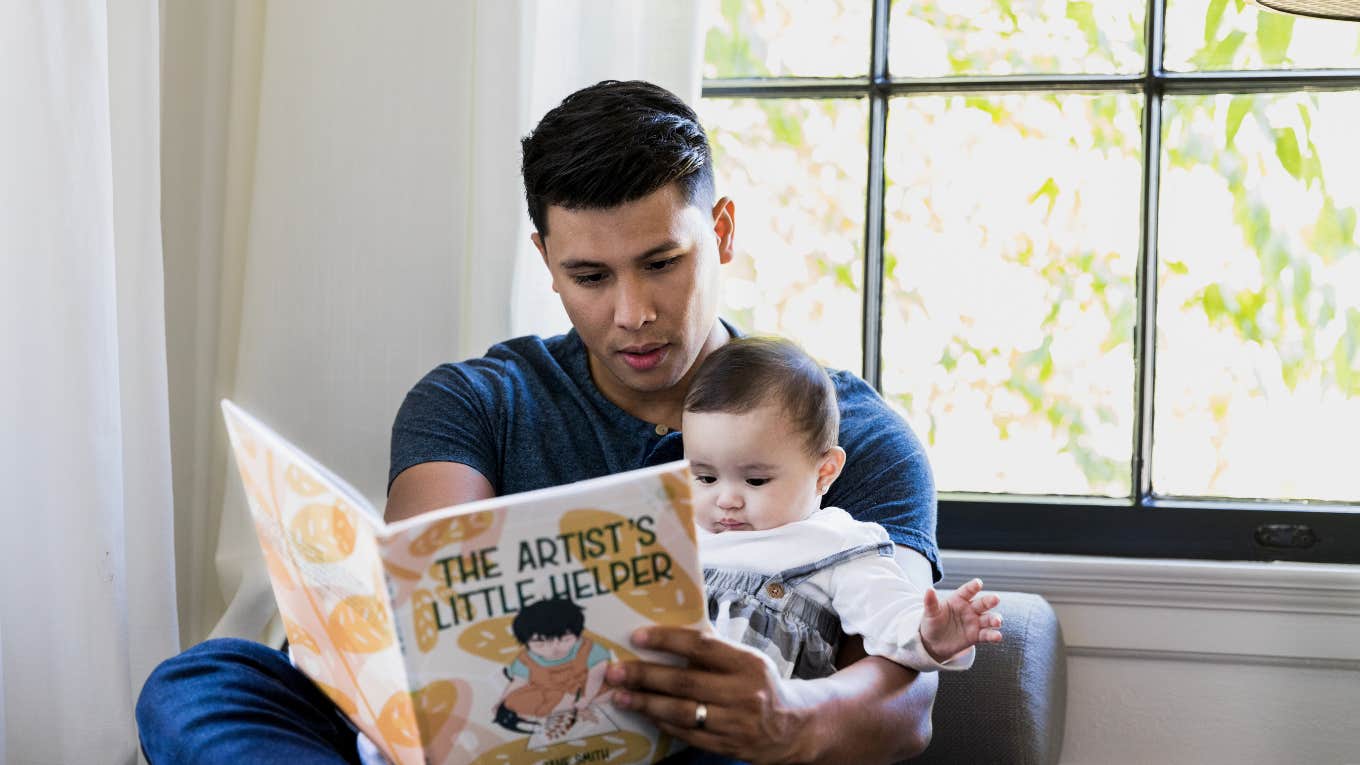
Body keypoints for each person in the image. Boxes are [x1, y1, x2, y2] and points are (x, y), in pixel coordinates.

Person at [136, 79, 943, 764]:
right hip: (497, 734)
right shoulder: (476, 399)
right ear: (545, 260)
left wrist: (785, 716)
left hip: (698, 744)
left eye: (663, 263)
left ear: (720, 232)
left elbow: (906, 705)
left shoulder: (847, 437)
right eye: (589, 275)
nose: (634, 313)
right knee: (201, 683)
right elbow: (424, 612)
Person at [683, 337, 1002, 682]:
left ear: (825, 472)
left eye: (756, 481)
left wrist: (931, 633)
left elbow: (890, 613)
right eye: (705, 477)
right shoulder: (677, 534)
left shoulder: (834, 545)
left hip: (759, 723)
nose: (726, 499)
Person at [493, 598, 613, 735]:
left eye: (565, 640)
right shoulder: (525, 659)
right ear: (525, 642)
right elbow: (519, 682)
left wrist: (586, 699)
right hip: (552, 694)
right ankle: (560, 712)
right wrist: (502, 701)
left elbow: (596, 676)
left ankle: (573, 710)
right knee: (513, 701)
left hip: (587, 689)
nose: (554, 649)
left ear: (578, 634)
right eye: (540, 644)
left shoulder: (588, 648)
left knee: (610, 690)